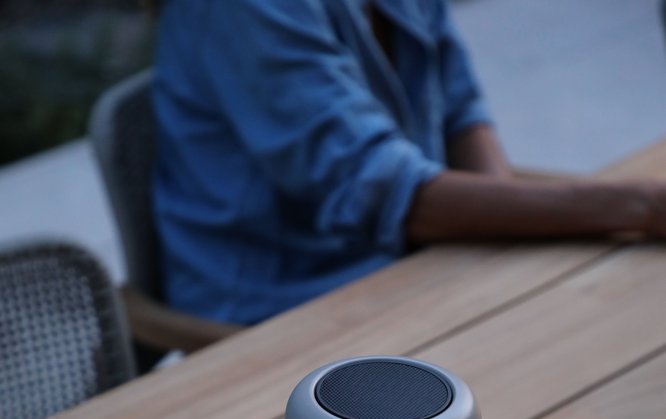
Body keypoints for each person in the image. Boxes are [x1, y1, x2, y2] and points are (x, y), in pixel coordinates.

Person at [153, 0, 666, 326]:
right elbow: (380, 192)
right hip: (284, 310)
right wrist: (641, 206)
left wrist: (512, 262)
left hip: (411, 270)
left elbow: (459, 109)